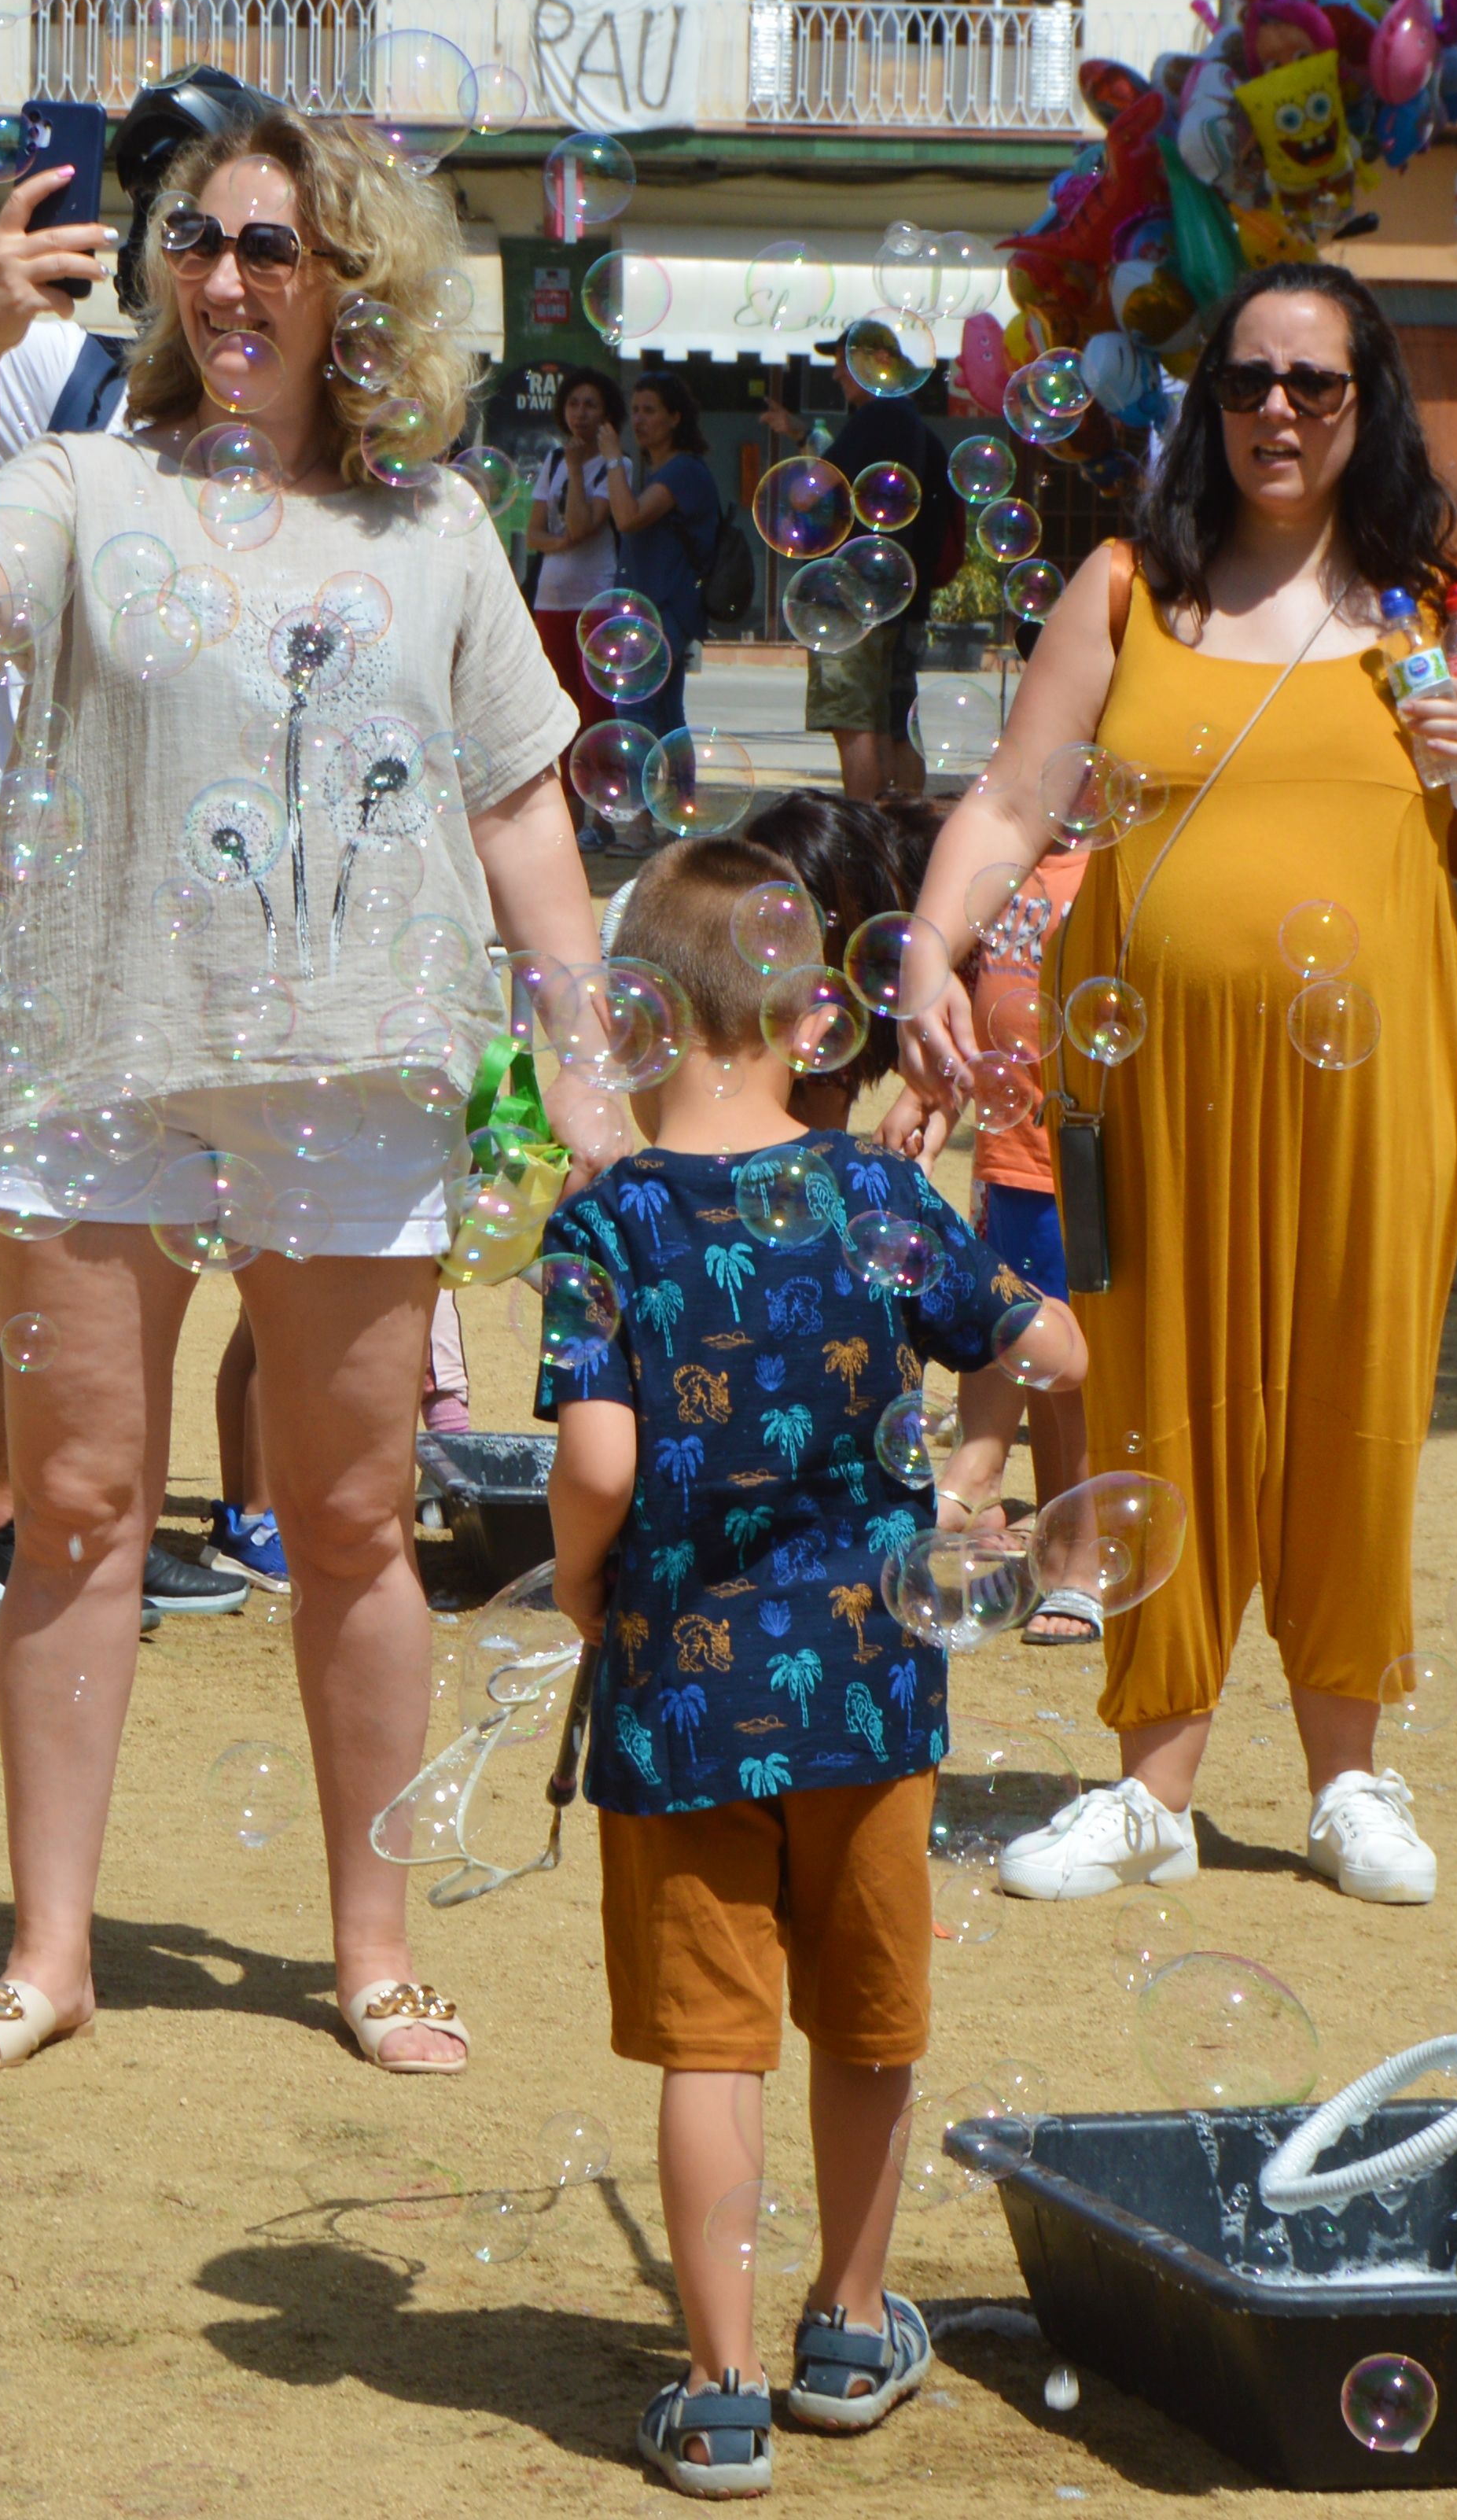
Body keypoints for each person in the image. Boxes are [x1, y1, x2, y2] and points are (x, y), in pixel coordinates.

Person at [0, 98, 615, 2081]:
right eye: (194, 241)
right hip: (97, 1046)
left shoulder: (434, 526)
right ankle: (49, 1951)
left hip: (353, 1061)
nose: (222, 279)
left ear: (350, 282)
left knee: (354, 1519)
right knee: (78, 1508)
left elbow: (518, 803)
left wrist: (589, 1063)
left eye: (268, 246)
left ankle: (366, 1949)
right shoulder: (79, 482)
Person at [897, 261, 1457, 1913]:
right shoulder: (1129, 586)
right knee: (1154, 1402)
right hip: (1152, 1085)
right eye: (1247, 379)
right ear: (1207, 402)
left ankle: (1347, 1773)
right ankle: (1148, 1785)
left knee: (1352, 1403)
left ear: (1366, 404)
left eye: (1315, 384)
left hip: (1377, 1080)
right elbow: (1010, 797)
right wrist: (929, 943)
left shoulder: (1436, 600)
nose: (1277, 408)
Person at [540, 834, 1080, 2495]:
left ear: (639, 1017)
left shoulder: (607, 1216)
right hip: (868, 1679)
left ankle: (714, 2389)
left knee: (713, 2044)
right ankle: (845, 2325)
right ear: (809, 1012)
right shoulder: (867, 1193)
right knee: (863, 2022)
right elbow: (1049, 1339)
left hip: (679, 1690)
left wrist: (576, 1586)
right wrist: (996, 1489)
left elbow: (600, 1462)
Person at [940, 834, 1093, 1624]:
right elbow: (961, 997)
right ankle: (1045, 1533)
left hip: (1085, 1155)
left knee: (1085, 1374)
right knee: (1022, 1346)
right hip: (1010, 1157)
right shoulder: (1002, 860)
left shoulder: (1119, 865)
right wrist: (929, 1100)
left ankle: (1081, 1555)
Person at [813, 366, 959, 805]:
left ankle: (866, 838)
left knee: (856, 719)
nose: (837, 372)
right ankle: (904, 834)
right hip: (902, 598)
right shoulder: (918, 431)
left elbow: (809, 490)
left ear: (875, 362)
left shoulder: (876, 419)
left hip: (851, 596)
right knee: (897, 721)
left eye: (843, 359)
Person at [609, 370, 726, 756]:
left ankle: (645, 813)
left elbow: (628, 518)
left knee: (634, 708)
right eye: (635, 411)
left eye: (650, 411)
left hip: (663, 610)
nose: (639, 420)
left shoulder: (683, 471)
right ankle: (676, 804)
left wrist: (613, 461)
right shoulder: (662, 471)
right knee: (665, 713)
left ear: (676, 417)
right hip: (657, 609)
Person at [528, 367, 627, 741]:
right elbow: (536, 532)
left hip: (594, 598)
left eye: (590, 405)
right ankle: (567, 794)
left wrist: (575, 468)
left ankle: (600, 791)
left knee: (596, 705)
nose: (580, 413)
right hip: (550, 598)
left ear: (607, 414)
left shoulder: (617, 465)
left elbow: (585, 526)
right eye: (573, 404)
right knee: (559, 702)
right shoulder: (553, 461)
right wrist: (561, 542)